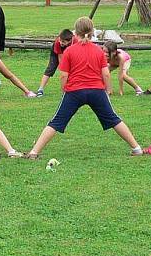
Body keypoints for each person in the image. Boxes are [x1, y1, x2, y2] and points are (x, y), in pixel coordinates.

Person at [25, 17, 144, 159]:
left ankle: (34, 152)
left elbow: (63, 75)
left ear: (76, 33)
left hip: (74, 92)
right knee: (113, 119)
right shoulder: (99, 51)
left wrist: (65, 89)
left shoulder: (69, 51)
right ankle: (136, 148)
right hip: (96, 91)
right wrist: (107, 90)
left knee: (56, 121)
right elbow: (106, 73)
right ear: (92, 31)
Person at [36, 29, 73, 96]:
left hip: (70, 52)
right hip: (57, 53)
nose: (61, 42)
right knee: (51, 68)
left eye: (63, 41)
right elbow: (61, 60)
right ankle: (40, 89)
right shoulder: (57, 43)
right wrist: (63, 71)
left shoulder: (74, 42)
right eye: (60, 40)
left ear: (69, 41)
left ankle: (72, 88)